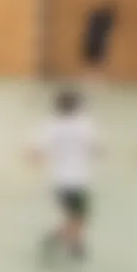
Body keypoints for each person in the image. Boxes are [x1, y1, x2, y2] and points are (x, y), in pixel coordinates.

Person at [31, 89, 98, 262]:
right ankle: (73, 245)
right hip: (78, 180)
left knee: (74, 215)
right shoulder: (84, 125)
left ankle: (61, 239)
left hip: (58, 180)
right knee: (80, 215)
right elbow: (94, 148)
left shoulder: (50, 125)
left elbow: (35, 152)